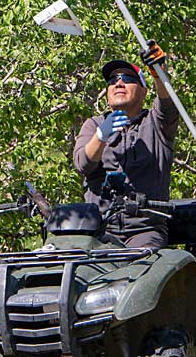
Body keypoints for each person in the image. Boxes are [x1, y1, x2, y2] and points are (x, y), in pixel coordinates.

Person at [72, 44, 179, 249]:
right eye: (113, 81)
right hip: (100, 229)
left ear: (144, 91)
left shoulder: (156, 123)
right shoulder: (94, 125)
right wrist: (101, 136)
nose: (119, 83)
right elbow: (83, 164)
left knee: (140, 270)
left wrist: (158, 73)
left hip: (145, 230)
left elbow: (168, 104)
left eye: (128, 79)